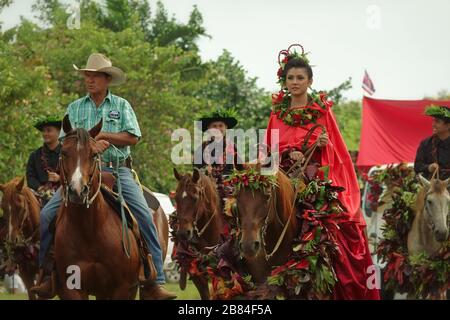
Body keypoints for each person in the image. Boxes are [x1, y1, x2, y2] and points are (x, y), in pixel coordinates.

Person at [31, 53, 176, 300]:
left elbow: (134, 138)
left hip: (118, 170)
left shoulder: (121, 106)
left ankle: (154, 281)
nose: (89, 80)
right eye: (87, 75)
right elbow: (70, 142)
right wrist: (86, 146)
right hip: (82, 171)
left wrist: (102, 137)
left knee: (144, 214)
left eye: (94, 76)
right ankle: (48, 276)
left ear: (106, 79)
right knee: (46, 215)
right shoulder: (74, 108)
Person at [265, 44, 380, 299]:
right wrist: (287, 153)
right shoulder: (277, 114)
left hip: (317, 179)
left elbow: (336, 151)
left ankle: (329, 277)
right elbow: (269, 150)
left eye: (300, 78)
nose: (294, 82)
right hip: (284, 177)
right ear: (284, 81)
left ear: (310, 80)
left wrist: (320, 147)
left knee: (333, 225)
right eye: (290, 78)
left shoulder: (322, 111)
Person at [194, 109, 244, 203]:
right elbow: (196, 171)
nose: (218, 128)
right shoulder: (201, 148)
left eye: (221, 126)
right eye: (214, 126)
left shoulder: (232, 147)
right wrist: (205, 171)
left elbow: (240, 169)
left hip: (230, 190)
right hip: (207, 190)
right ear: (209, 128)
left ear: (226, 128)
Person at [26, 116, 62, 205]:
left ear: (58, 132)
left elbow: (74, 176)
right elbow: (30, 177)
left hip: (63, 195)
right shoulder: (34, 155)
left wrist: (59, 178)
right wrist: (41, 188)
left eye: (49, 130)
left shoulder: (68, 153)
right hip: (39, 197)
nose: (45, 133)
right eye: (43, 131)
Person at [414, 105, 450, 180]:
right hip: (431, 187)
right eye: (433, 120)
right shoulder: (426, 144)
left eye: (437, 121)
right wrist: (429, 167)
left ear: (448, 126)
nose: (433, 124)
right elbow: (417, 166)